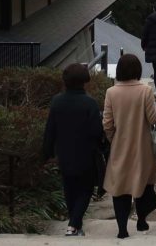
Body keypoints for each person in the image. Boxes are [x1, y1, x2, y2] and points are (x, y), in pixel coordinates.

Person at [104, 54, 156, 239]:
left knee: (120, 187)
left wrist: (114, 140)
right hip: (143, 147)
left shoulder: (111, 92)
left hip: (120, 146)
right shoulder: (145, 90)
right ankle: (142, 220)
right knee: (143, 183)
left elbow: (107, 124)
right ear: (137, 70)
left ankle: (122, 230)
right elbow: (152, 118)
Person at [41, 63, 103, 237]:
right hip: (86, 153)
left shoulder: (57, 101)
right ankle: (73, 225)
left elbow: (50, 129)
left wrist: (46, 153)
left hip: (65, 153)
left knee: (69, 189)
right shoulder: (89, 103)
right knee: (86, 190)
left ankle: (75, 226)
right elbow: (96, 131)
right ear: (84, 81)